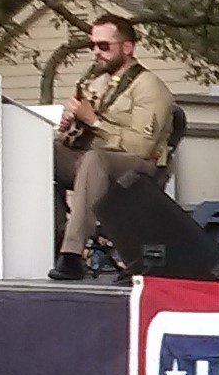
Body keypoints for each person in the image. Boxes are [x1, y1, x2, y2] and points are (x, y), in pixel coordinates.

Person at [49, 14, 176, 281]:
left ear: (127, 47)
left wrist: (93, 120)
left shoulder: (149, 87)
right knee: (42, 154)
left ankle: (72, 255)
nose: (96, 52)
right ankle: (54, 241)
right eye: (93, 45)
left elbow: (142, 146)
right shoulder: (97, 83)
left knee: (95, 160)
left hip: (139, 166)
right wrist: (69, 130)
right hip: (93, 161)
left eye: (104, 46)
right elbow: (83, 135)